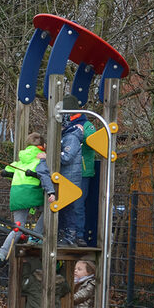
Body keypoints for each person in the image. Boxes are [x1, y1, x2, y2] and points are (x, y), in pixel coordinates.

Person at [0, 133, 56, 267]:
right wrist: (51, 191)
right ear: (43, 146)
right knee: (50, 209)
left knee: (18, 227)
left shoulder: (20, 160)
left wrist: (7, 173)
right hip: (31, 193)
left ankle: (0, 255)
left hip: (16, 195)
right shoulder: (41, 160)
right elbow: (44, 177)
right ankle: (36, 236)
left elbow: (8, 170)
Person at [59, 95, 86, 246]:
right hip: (66, 177)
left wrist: (52, 155)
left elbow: (67, 157)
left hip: (70, 178)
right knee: (66, 208)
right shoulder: (67, 136)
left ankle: (71, 236)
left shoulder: (71, 137)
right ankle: (67, 234)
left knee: (70, 207)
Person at [77, 117, 97, 246]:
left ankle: (79, 235)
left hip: (82, 172)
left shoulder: (87, 126)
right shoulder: (65, 123)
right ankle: (66, 233)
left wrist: (80, 134)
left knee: (78, 204)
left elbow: (93, 142)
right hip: (68, 172)